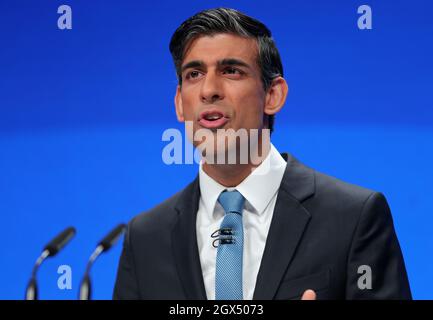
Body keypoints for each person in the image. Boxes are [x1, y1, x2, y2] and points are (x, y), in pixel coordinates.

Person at [113, 7, 411, 300]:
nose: (209, 90)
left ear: (273, 95)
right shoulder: (145, 238)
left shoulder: (353, 217)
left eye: (231, 71)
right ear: (180, 103)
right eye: (194, 73)